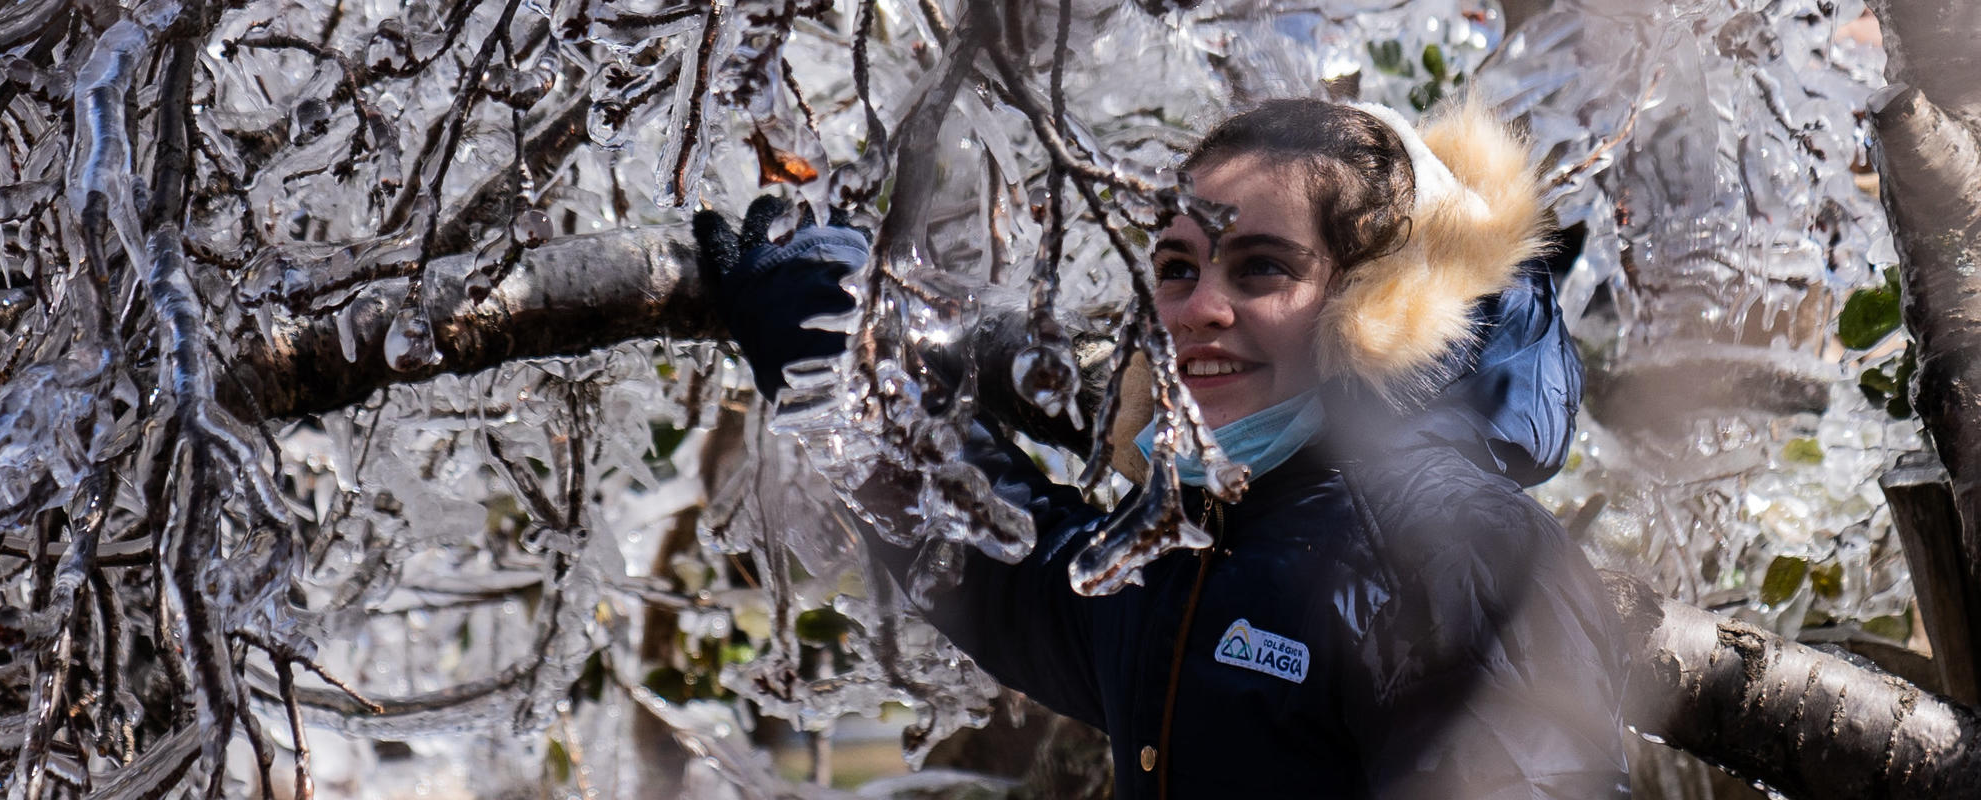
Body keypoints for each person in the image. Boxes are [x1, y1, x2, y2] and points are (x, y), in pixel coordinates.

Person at [698, 96, 1630, 799]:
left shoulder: (1464, 552)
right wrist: (830, 339)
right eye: (1178, 267)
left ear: (1379, 309)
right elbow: (997, 564)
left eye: (1261, 266)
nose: (1197, 310)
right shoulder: (1194, 550)